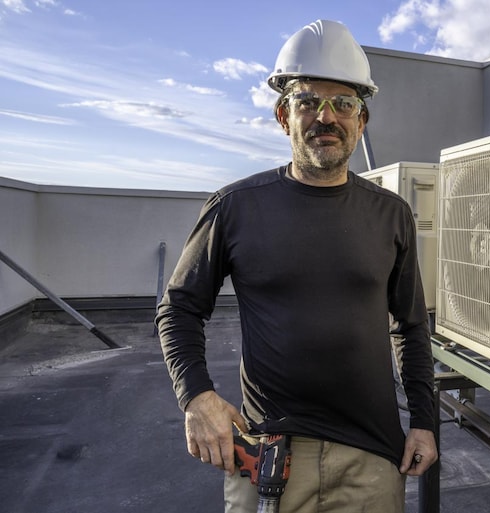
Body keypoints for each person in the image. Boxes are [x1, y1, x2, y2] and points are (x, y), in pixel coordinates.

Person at [156, 19, 438, 513]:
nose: (325, 117)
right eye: (308, 102)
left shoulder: (392, 215)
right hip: (269, 454)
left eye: (343, 104)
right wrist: (197, 398)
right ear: (284, 117)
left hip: (371, 459)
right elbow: (178, 308)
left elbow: (411, 327)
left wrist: (424, 420)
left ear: (361, 120)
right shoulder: (235, 207)